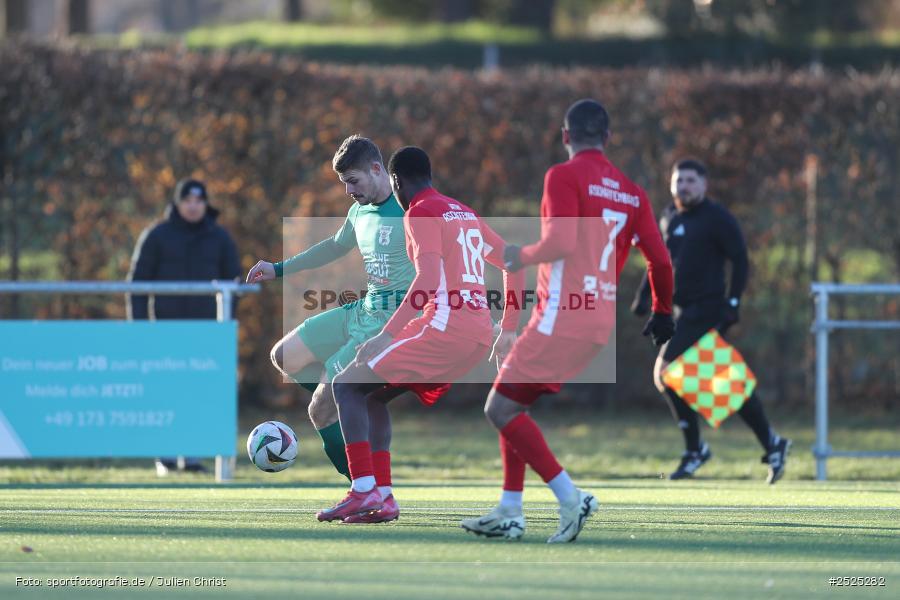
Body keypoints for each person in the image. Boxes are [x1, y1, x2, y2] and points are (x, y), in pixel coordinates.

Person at [461, 98, 675, 543]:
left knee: (497, 408)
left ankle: (569, 497)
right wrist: (661, 310)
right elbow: (660, 261)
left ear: (565, 137)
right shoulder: (633, 193)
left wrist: (522, 254)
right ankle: (509, 509)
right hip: (597, 324)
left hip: (561, 315)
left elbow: (559, 243)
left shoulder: (562, 175)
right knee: (512, 406)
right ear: (608, 138)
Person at [320, 146, 525, 524]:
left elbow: (427, 280)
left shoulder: (420, 211)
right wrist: (508, 328)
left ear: (395, 181)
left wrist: (386, 335)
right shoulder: (462, 211)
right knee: (372, 395)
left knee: (346, 385)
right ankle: (383, 498)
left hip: (445, 328)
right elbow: (514, 259)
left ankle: (363, 489)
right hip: (473, 335)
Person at [246, 135, 415, 498]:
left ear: (376, 169)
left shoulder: (410, 211)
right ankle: (349, 409)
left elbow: (441, 270)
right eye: (344, 184)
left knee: (320, 410)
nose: (349, 191)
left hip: (386, 323)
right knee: (283, 356)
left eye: (353, 181)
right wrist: (279, 269)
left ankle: (362, 486)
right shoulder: (359, 211)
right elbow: (335, 246)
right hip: (362, 308)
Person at [631, 158, 791, 483]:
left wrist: (733, 302)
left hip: (707, 309)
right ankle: (772, 443)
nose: (685, 186)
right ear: (671, 185)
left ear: (704, 185)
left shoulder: (717, 218)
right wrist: (643, 294)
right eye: (680, 181)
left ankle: (695, 450)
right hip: (679, 312)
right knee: (719, 379)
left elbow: (740, 259)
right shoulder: (668, 217)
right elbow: (660, 259)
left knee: (665, 372)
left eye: (691, 180)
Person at [128, 177, 241, 476]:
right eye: (187, 201)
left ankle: (190, 458)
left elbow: (235, 283)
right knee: (164, 392)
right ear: (177, 204)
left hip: (206, 330)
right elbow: (137, 285)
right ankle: (164, 457)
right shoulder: (157, 235)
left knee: (196, 393)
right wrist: (139, 329)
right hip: (165, 328)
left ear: (205, 204)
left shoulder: (220, 238)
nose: (193, 206)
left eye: (198, 201)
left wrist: (226, 324)